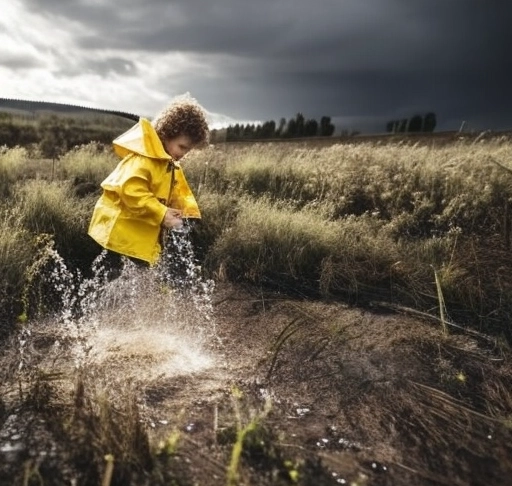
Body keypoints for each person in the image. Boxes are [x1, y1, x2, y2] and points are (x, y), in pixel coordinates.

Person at [88, 95, 209, 267]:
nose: (184, 154)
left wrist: (176, 213)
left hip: (136, 237)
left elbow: (172, 193)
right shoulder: (144, 159)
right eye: (182, 147)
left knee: (139, 281)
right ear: (168, 133)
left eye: (188, 150)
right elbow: (131, 191)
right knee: (113, 281)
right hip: (118, 236)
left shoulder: (167, 164)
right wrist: (161, 213)